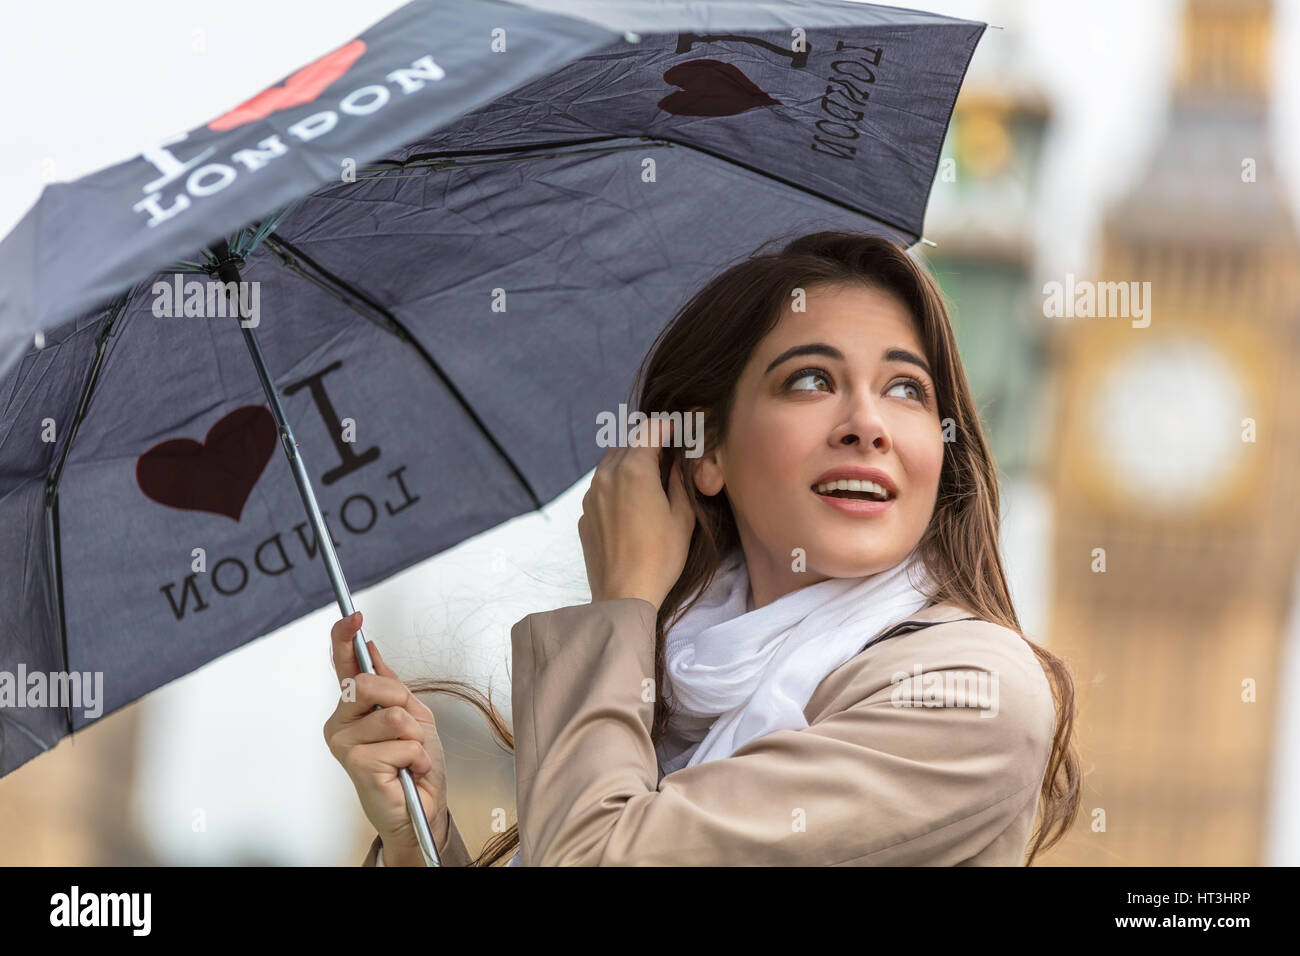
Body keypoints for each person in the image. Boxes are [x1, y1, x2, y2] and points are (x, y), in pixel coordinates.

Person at [322, 230, 1081, 867]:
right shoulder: (663, 692)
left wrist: (623, 600)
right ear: (704, 451)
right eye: (812, 379)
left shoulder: (966, 693)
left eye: (907, 389)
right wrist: (420, 834)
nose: (867, 423)